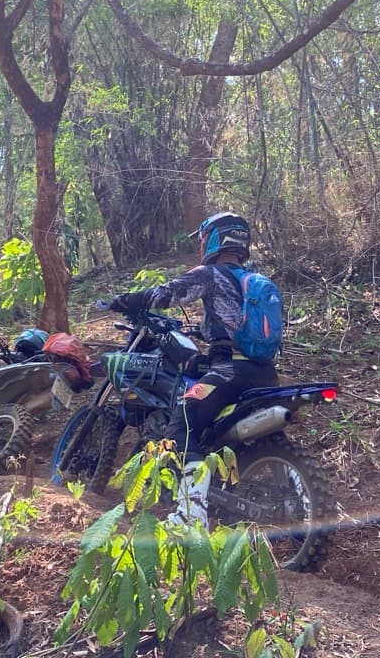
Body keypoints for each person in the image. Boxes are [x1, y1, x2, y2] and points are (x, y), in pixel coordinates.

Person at [106, 211, 279, 526]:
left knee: (184, 416)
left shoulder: (212, 274)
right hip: (265, 374)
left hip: (231, 371)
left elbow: (168, 293)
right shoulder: (252, 281)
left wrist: (129, 300)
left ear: (213, 238)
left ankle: (190, 515)